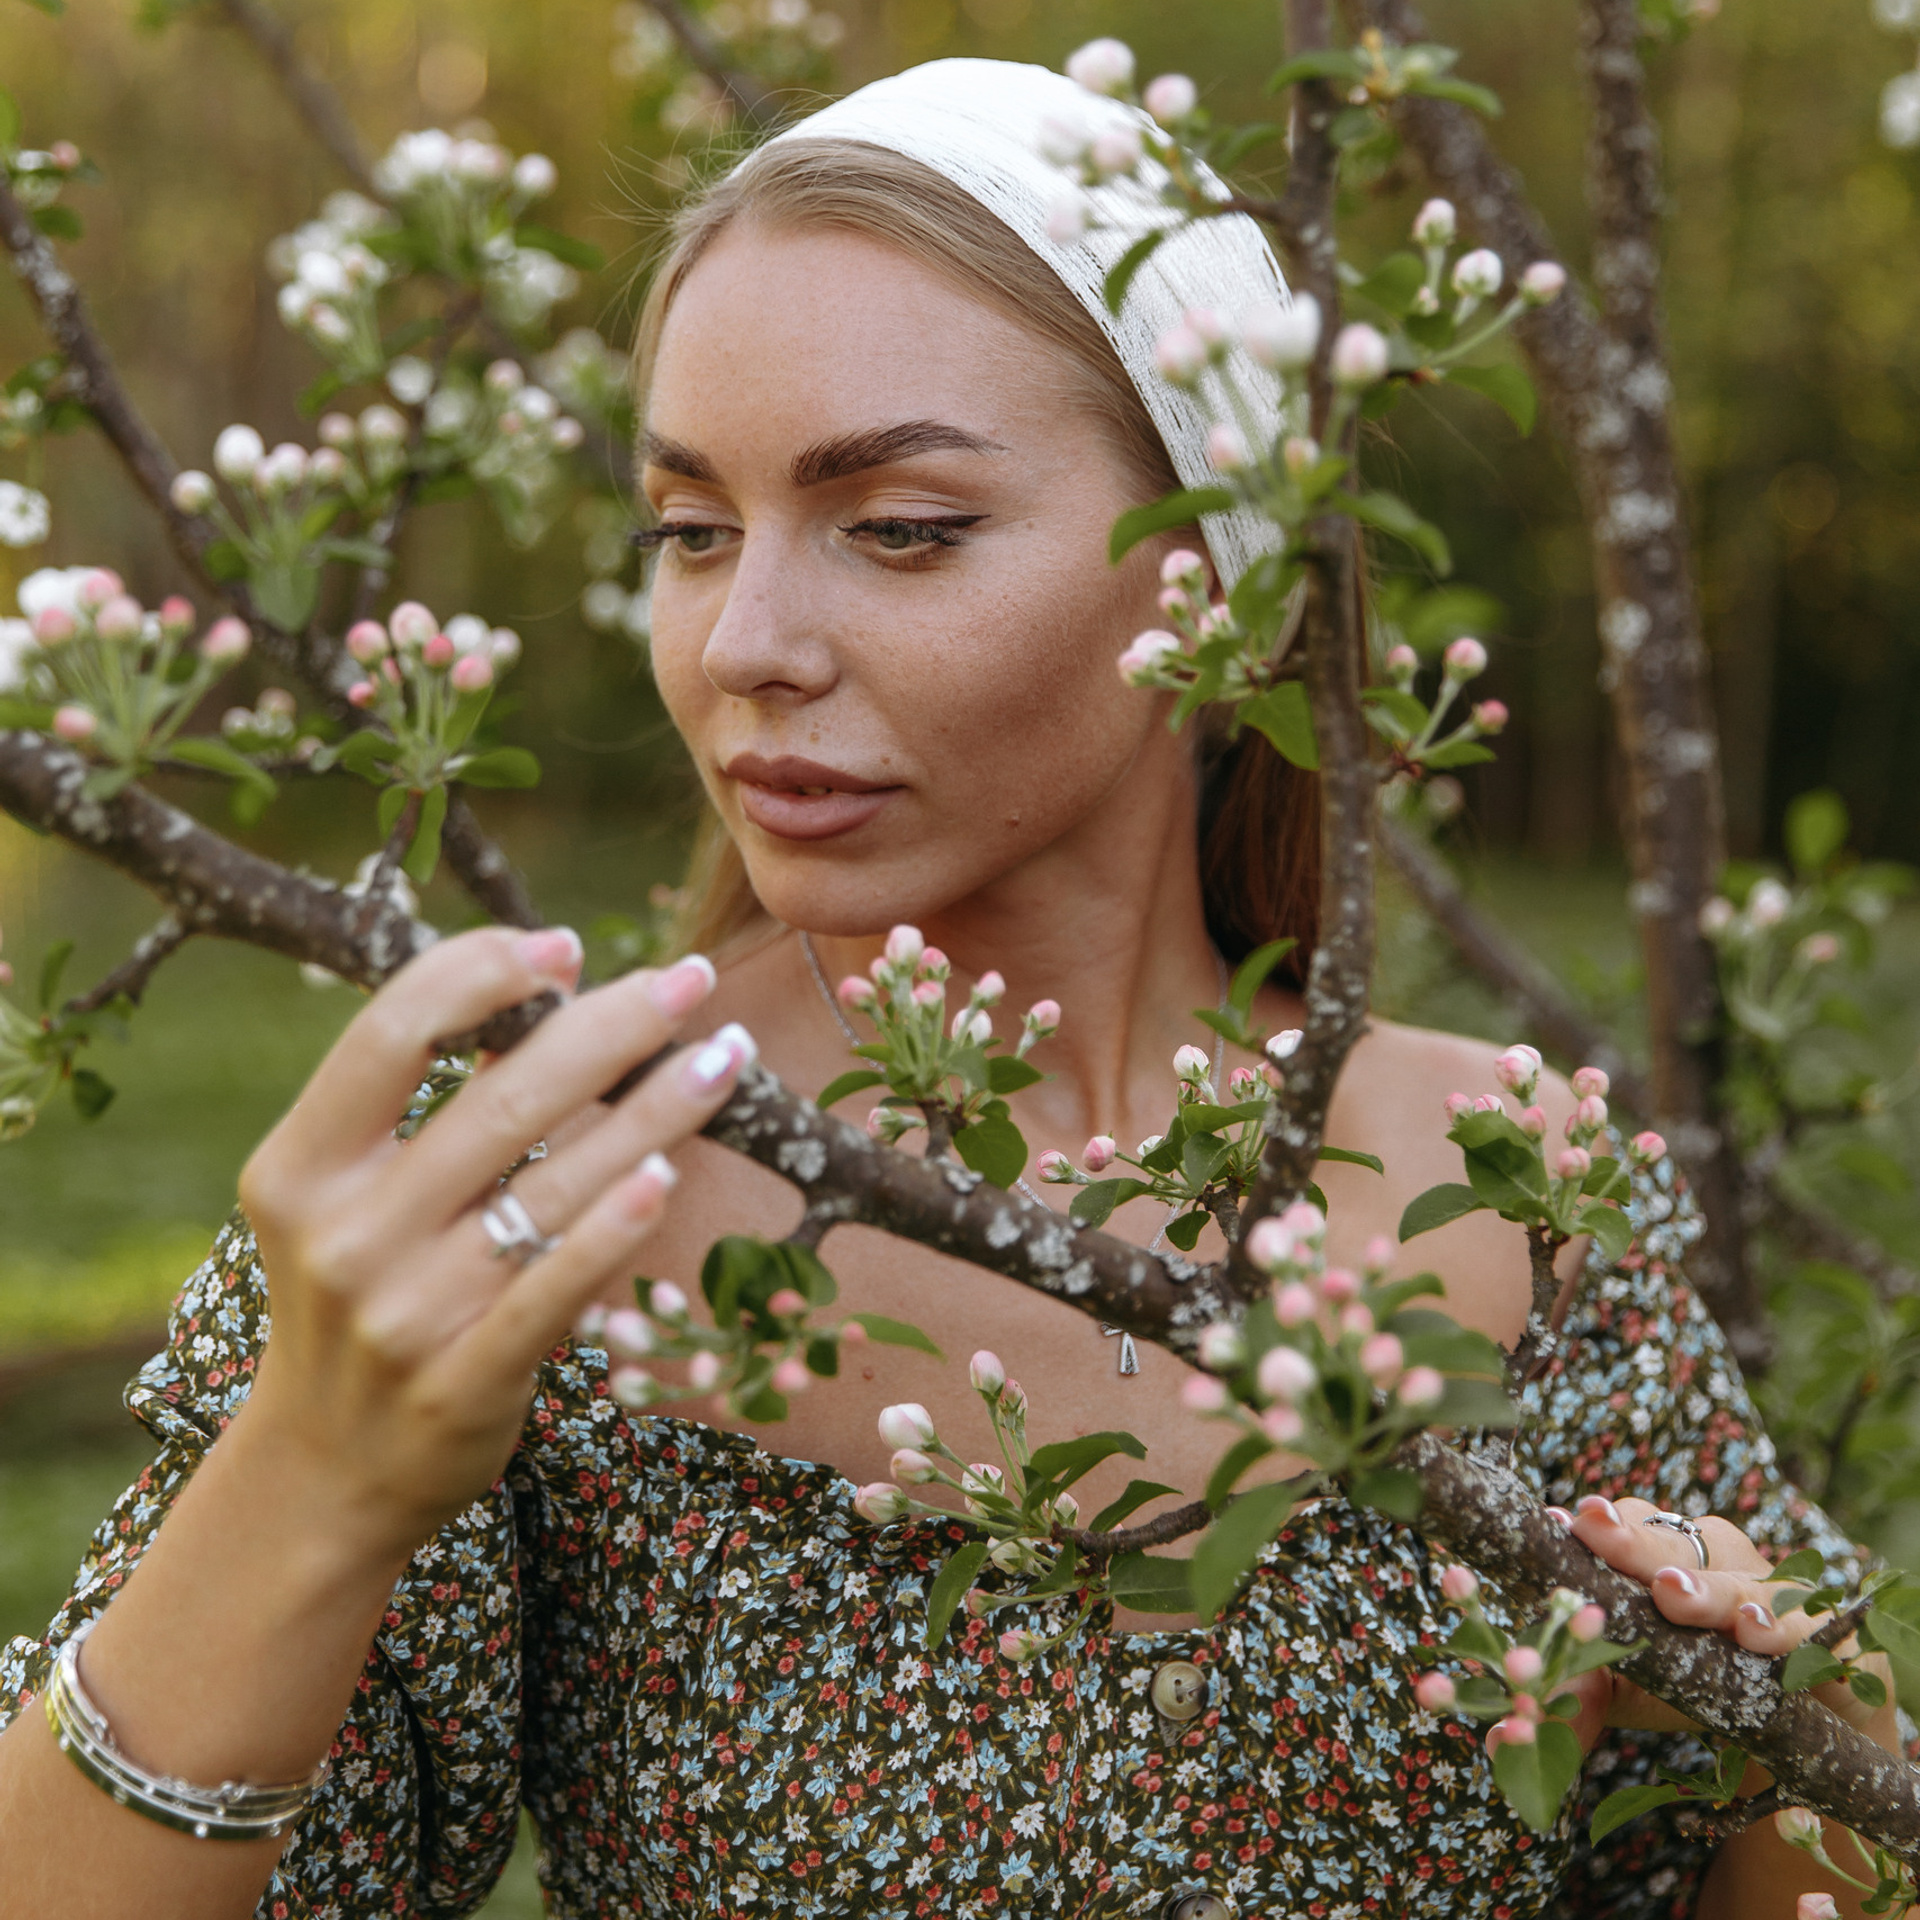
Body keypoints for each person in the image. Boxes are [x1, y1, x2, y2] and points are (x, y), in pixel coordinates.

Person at [0, 57, 1899, 1920]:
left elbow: (1784, 1856)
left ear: (1221, 579)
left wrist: (1791, 1720)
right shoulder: (543, 1184)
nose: (744, 643)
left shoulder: (1521, 1186)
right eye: (688, 531)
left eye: (900, 527)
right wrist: (309, 1475)